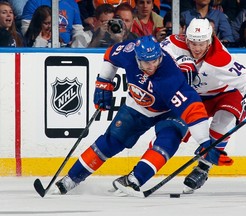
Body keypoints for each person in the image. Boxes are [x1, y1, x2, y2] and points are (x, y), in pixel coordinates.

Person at [54, 35, 230, 195]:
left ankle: (134, 180)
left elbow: (193, 110)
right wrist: (103, 82)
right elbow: (110, 55)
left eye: (155, 60)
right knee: (111, 141)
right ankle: (71, 179)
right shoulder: (128, 53)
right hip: (138, 106)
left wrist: (205, 144)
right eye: (146, 63)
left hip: (170, 111)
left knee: (168, 141)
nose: (152, 66)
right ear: (137, 58)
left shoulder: (169, 78)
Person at [156, 18, 246, 193]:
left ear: (210, 39)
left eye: (202, 43)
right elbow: (154, 55)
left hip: (225, 94)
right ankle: (144, 169)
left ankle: (204, 167)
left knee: (224, 121)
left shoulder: (220, 57)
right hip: (195, 96)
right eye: (193, 43)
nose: (197, 48)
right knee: (172, 130)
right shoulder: (172, 43)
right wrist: (179, 62)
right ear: (186, 38)